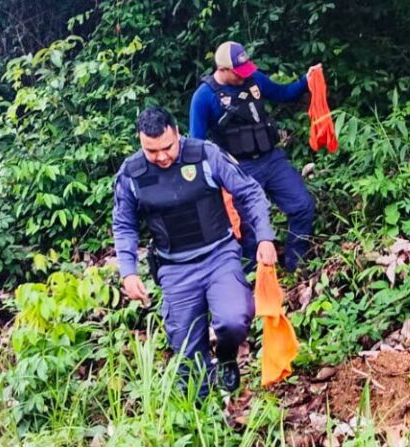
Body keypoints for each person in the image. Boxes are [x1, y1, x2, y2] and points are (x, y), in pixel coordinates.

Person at [112, 106, 277, 397]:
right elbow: (124, 224)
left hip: (219, 256)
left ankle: (226, 356)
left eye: (167, 147)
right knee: (186, 347)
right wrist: (128, 272)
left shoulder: (205, 155)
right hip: (174, 267)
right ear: (140, 142)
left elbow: (249, 192)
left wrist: (264, 237)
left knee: (234, 319)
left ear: (177, 133)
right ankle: (201, 409)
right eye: (152, 151)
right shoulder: (132, 173)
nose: (162, 157)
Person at [189, 41, 319, 272]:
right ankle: (254, 280)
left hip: (271, 158)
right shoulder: (204, 96)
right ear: (223, 69)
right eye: (238, 72)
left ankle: (296, 266)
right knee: (248, 229)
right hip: (239, 169)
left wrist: (305, 80)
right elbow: (196, 143)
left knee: (303, 206)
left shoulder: (254, 79)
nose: (244, 76)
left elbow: (283, 93)